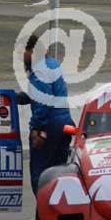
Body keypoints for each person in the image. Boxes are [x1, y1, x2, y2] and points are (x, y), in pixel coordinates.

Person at [22, 35, 74, 195]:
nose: (22, 57)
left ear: (32, 51)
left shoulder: (39, 70)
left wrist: (37, 129)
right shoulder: (52, 64)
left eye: (23, 52)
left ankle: (44, 208)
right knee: (60, 173)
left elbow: (44, 102)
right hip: (65, 123)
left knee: (41, 175)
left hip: (50, 126)